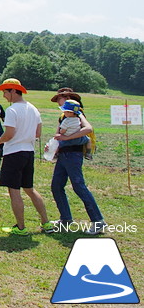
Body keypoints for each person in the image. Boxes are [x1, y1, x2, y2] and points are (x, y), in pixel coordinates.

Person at [0, 78, 54, 235]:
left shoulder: (12, 110)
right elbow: (38, 134)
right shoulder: (34, 109)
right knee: (29, 188)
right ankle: (46, 222)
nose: (3, 95)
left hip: (14, 153)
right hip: (28, 153)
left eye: (5, 92)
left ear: (13, 91)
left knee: (14, 190)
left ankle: (21, 227)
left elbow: (9, 134)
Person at [49, 88, 106, 235]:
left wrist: (66, 138)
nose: (59, 102)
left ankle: (98, 221)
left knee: (78, 186)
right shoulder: (63, 116)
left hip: (73, 155)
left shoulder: (78, 114)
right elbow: (58, 134)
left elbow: (88, 129)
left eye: (60, 99)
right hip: (63, 155)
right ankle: (66, 219)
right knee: (56, 186)